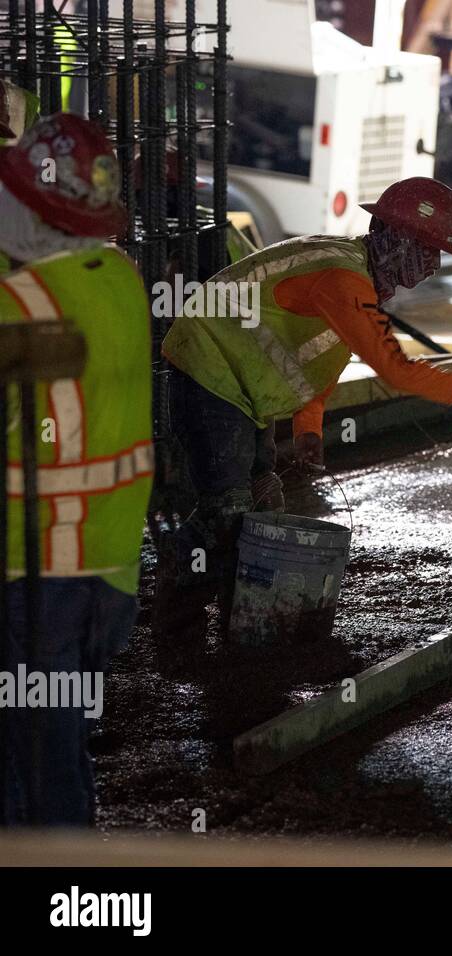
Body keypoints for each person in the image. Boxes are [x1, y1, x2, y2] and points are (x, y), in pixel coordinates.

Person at [155, 177, 452, 640]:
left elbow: (319, 357)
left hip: (239, 386)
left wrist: (308, 426)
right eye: (426, 250)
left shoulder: (358, 274)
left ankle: (245, 626)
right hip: (210, 372)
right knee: (228, 512)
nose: (431, 265)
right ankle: (177, 630)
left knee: (262, 499)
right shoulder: (342, 276)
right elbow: (394, 369)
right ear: (394, 239)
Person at [0, 113, 151, 825]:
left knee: (29, 764)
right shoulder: (120, 278)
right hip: (110, 570)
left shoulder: (18, 308)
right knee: (60, 749)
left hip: (37, 579)